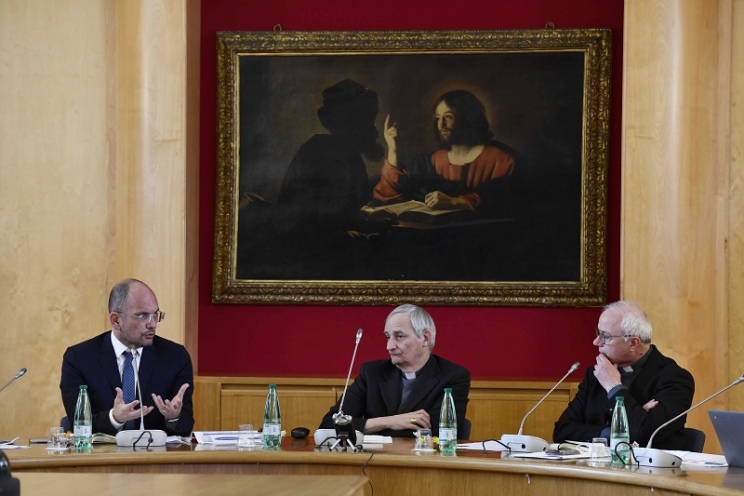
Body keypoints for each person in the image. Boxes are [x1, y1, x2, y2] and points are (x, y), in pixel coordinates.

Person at [60, 279, 194, 437]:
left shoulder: (175, 357)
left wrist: (174, 418)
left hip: (155, 452)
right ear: (116, 320)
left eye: (155, 315)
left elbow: (185, 426)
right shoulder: (79, 358)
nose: (152, 324)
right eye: (142, 315)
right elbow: (78, 424)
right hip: (102, 452)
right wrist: (114, 418)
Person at [553, 301, 695, 450]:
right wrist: (613, 432)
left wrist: (613, 386)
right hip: (595, 463)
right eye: (598, 333)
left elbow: (646, 433)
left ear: (633, 343)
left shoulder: (675, 379)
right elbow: (562, 431)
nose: (596, 342)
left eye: (605, 336)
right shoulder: (595, 375)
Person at [319, 304, 470, 437]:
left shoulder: (453, 376)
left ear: (425, 338)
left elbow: (438, 431)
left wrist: (367, 427)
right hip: (372, 458)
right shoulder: (372, 373)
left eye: (399, 336)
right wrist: (390, 422)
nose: (389, 346)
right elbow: (329, 425)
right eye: (387, 337)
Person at [373, 89, 516, 218]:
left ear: (468, 118)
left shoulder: (501, 159)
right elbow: (388, 197)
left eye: (448, 117)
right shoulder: (431, 162)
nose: (441, 125)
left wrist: (456, 202)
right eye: (438, 118)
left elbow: (508, 200)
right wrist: (393, 149)